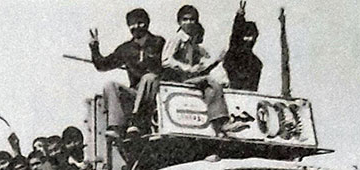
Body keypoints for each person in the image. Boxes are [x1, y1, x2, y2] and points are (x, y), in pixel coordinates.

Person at [162, 6, 241, 136]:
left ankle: (219, 126)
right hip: (177, 80)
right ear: (179, 22)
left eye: (192, 20)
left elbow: (205, 62)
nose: (188, 23)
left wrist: (216, 61)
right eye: (185, 19)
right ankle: (223, 124)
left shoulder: (193, 44)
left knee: (212, 88)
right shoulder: (177, 38)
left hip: (190, 79)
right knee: (210, 81)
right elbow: (165, 60)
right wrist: (187, 68)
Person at [89, 8, 165, 138]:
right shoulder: (125, 49)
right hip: (136, 93)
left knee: (149, 77)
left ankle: (137, 120)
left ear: (147, 23)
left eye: (140, 22)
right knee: (110, 85)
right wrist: (94, 48)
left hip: (155, 93)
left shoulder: (159, 42)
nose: (136, 27)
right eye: (132, 24)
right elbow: (102, 65)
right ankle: (116, 126)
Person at [223, 1, 262, 91]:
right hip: (232, 87)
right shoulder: (233, 53)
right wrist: (239, 16)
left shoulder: (255, 63)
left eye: (251, 37)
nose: (249, 40)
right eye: (246, 36)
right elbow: (235, 34)